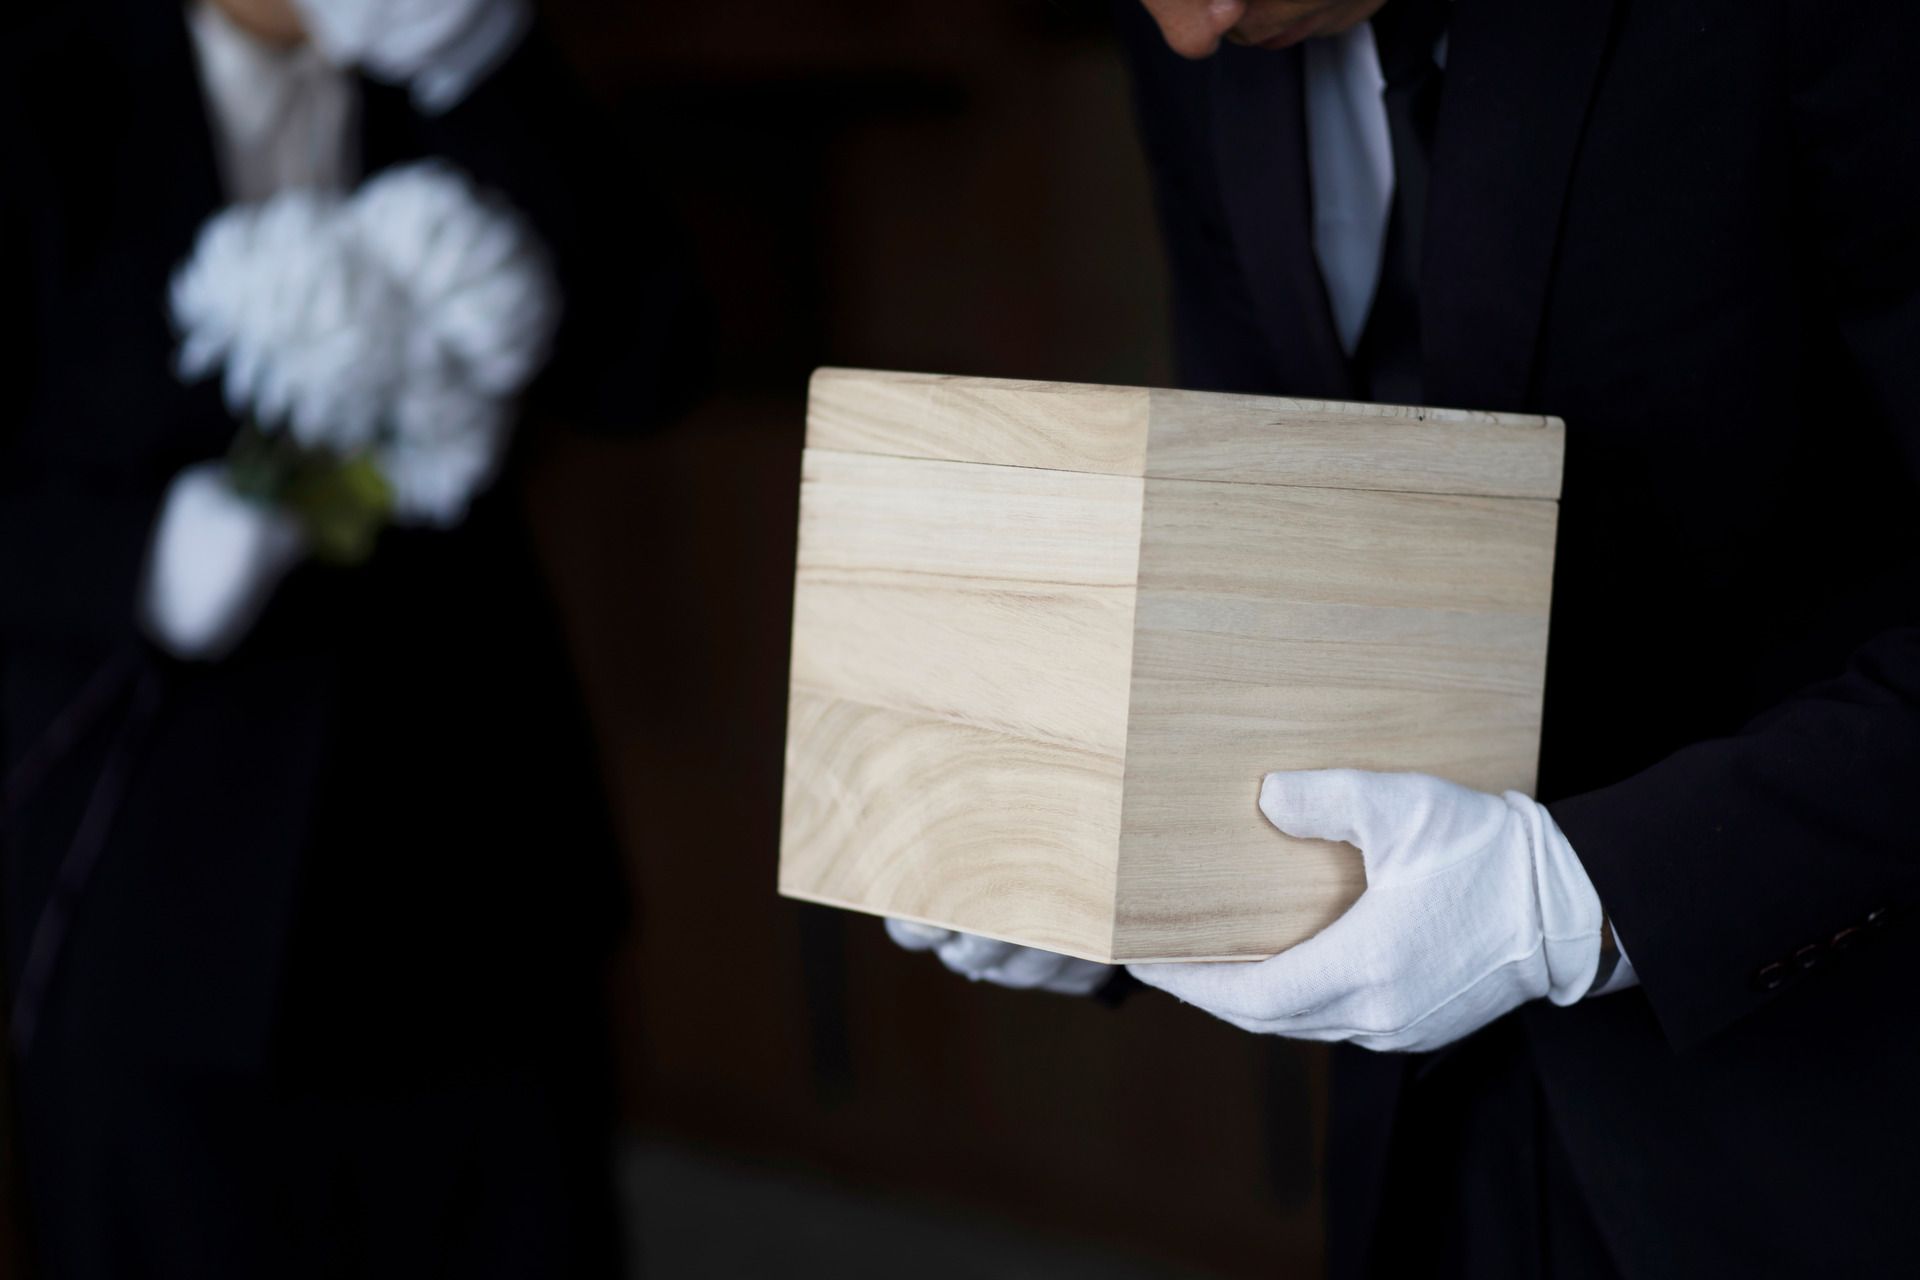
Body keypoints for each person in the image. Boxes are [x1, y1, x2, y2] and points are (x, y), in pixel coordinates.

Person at [891, 0, 1920, 1275]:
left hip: (1825, 1121)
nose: (1195, 30)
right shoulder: (1202, 38)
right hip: (1421, 1140)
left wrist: (1586, 896)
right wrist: (1105, 856)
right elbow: (1260, 533)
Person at [0, 0, 699, 1273]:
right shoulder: (43, 82)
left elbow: (652, 360)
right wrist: (133, 562)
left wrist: (478, 67)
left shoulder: (457, 52)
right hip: (153, 909)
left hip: (475, 882)